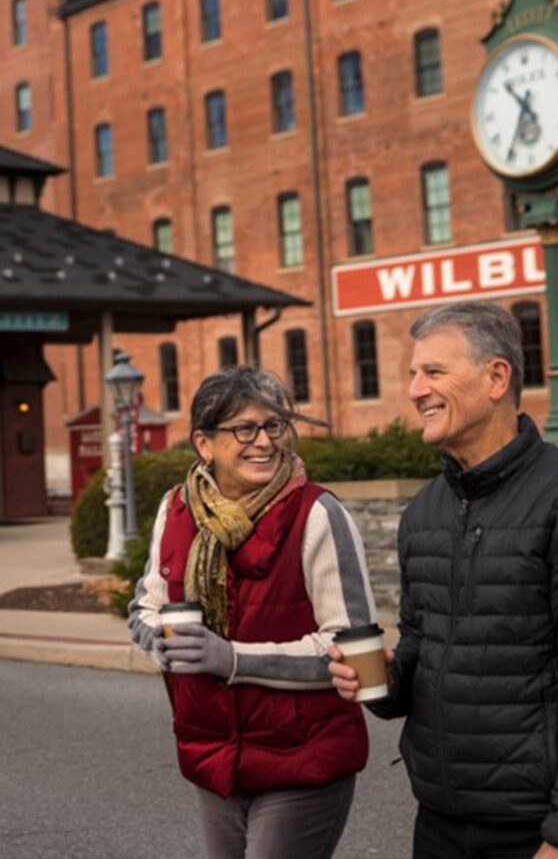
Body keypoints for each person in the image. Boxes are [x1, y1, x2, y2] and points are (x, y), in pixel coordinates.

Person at [329, 302, 558, 859]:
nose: (414, 390)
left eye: (433, 372)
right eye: (413, 374)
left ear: (496, 378)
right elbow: (422, 650)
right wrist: (386, 678)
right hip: (442, 824)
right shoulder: (423, 514)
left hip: (545, 830)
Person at [129, 366, 378, 859]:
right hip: (212, 753)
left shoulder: (319, 514)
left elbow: (358, 654)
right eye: (244, 429)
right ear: (204, 444)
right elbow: (145, 606)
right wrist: (154, 636)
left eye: (274, 426)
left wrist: (232, 658)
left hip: (302, 757)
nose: (264, 442)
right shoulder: (175, 509)